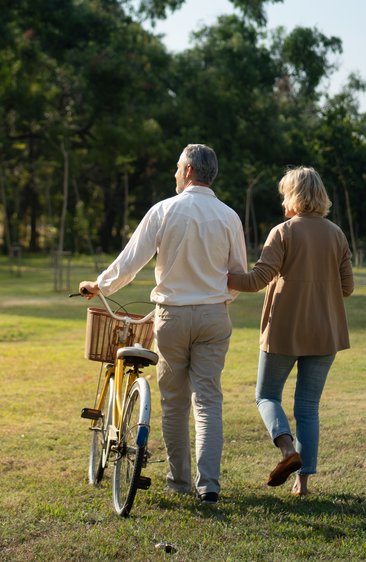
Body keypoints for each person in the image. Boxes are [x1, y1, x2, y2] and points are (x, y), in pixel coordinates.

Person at [79, 144, 247, 505]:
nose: (174, 174)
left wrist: (100, 285)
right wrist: (217, 300)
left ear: (188, 171)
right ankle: (210, 486)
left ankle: (179, 480)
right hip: (214, 316)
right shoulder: (230, 216)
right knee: (208, 400)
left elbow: (130, 261)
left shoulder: (165, 210)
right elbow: (237, 276)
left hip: (171, 317)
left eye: (176, 168)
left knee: (174, 404)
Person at [227, 166, 353, 496]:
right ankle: (302, 484)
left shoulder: (282, 232)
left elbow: (256, 280)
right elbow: (348, 287)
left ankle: (287, 451)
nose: (282, 200)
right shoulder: (337, 234)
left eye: (284, 194)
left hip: (284, 331)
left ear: (294, 196)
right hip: (325, 333)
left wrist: (224, 277)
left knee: (266, 395)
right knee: (308, 408)